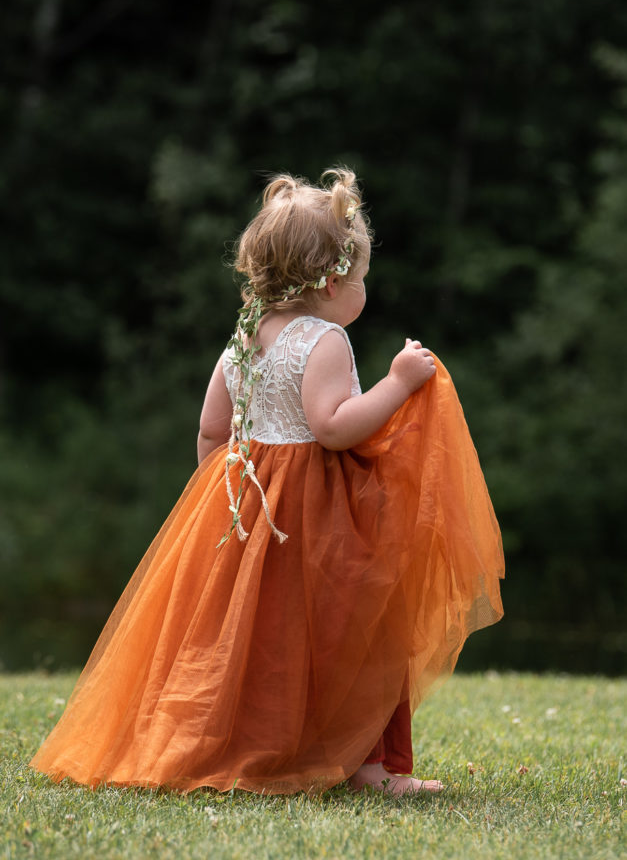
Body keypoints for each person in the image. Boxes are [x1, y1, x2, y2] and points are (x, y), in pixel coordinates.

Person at [30, 167, 504, 797]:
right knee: (355, 632)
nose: (364, 291)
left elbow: (210, 430)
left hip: (244, 508)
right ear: (333, 282)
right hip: (313, 514)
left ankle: (235, 739)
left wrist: (216, 497)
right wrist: (399, 382)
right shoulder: (324, 339)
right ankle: (367, 767)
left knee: (245, 643)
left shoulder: (241, 344)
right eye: (361, 280)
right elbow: (333, 428)